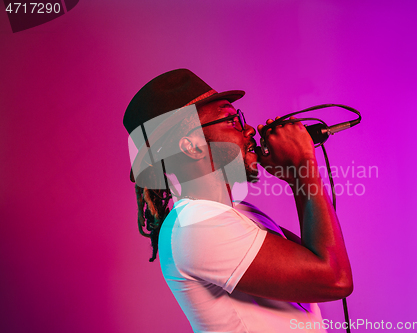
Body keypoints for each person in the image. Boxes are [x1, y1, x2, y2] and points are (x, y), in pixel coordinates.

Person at [123, 69, 353, 332]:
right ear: (192, 146)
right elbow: (334, 279)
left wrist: (294, 176)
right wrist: (304, 165)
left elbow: (316, 260)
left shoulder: (237, 213)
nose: (250, 130)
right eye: (232, 120)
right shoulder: (195, 227)